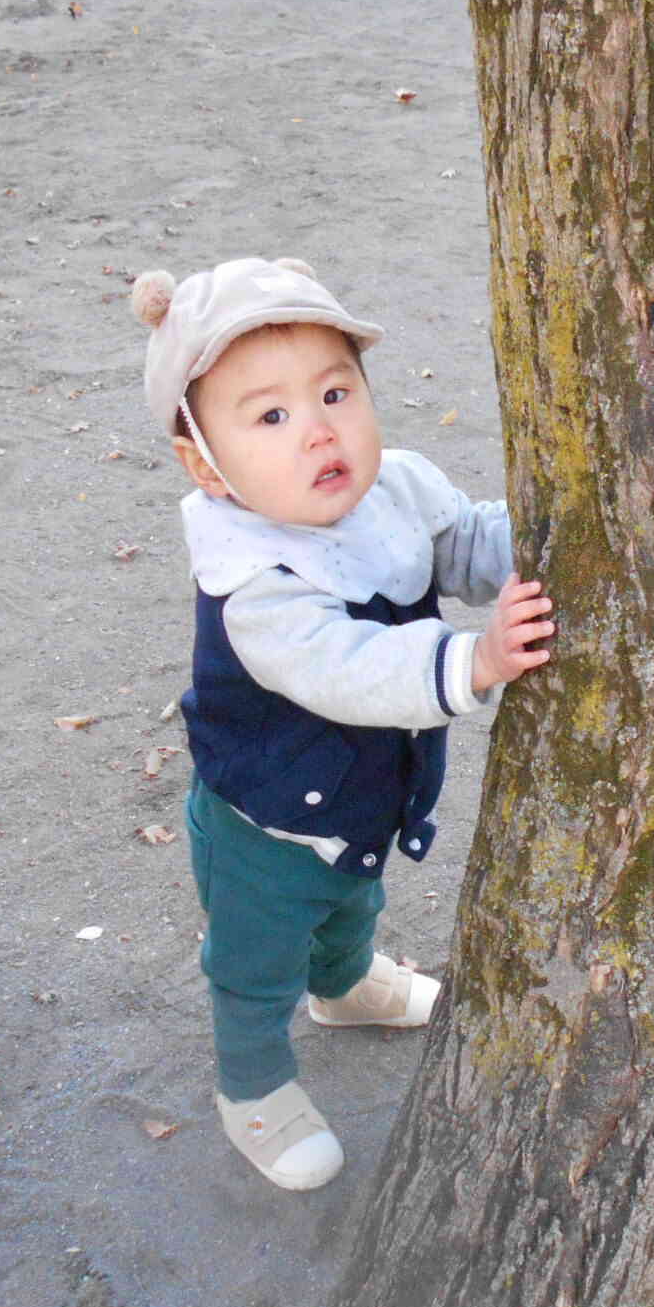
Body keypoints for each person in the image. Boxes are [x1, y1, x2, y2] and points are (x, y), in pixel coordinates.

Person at [131, 257, 554, 1192]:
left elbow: (459, 542)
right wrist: (474, 662)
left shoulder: (391, 490)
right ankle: (253, 1089)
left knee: (354, 903)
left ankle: (345, 987)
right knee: (257, 958)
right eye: (271, 416)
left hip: (358, 801)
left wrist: (546, 540)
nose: (318, 430)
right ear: (205, 462)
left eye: (335, 392)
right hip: (266, 825)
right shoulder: (256, 588)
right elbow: (351, 672)